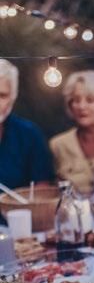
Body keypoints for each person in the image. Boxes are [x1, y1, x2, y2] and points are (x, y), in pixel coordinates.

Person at [49, 70, 94, 195]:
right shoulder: (58, 145)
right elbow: (57, 193)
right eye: (76, 100)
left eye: (90, 100)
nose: (81, 106)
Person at [0, 59, 54, 189]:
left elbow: (42, 187)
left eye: (2, 95)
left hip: (19, 209)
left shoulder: (29, 134)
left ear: (12, 97)